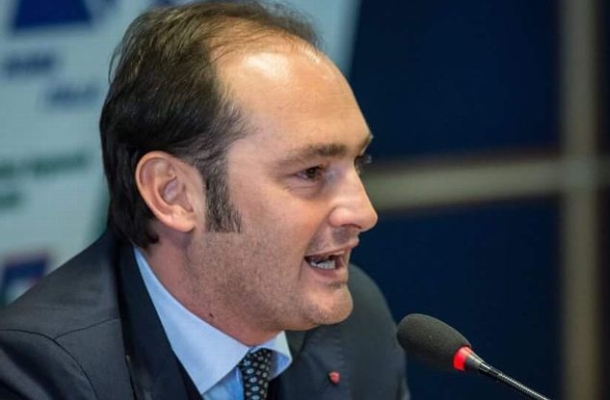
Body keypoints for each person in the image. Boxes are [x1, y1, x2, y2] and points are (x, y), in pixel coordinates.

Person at [0, 1, 408, 399]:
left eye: (359, 162)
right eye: (311, 172)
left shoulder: (358, 323)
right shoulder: (39, 375)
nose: (364, 213)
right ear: (173, 193)